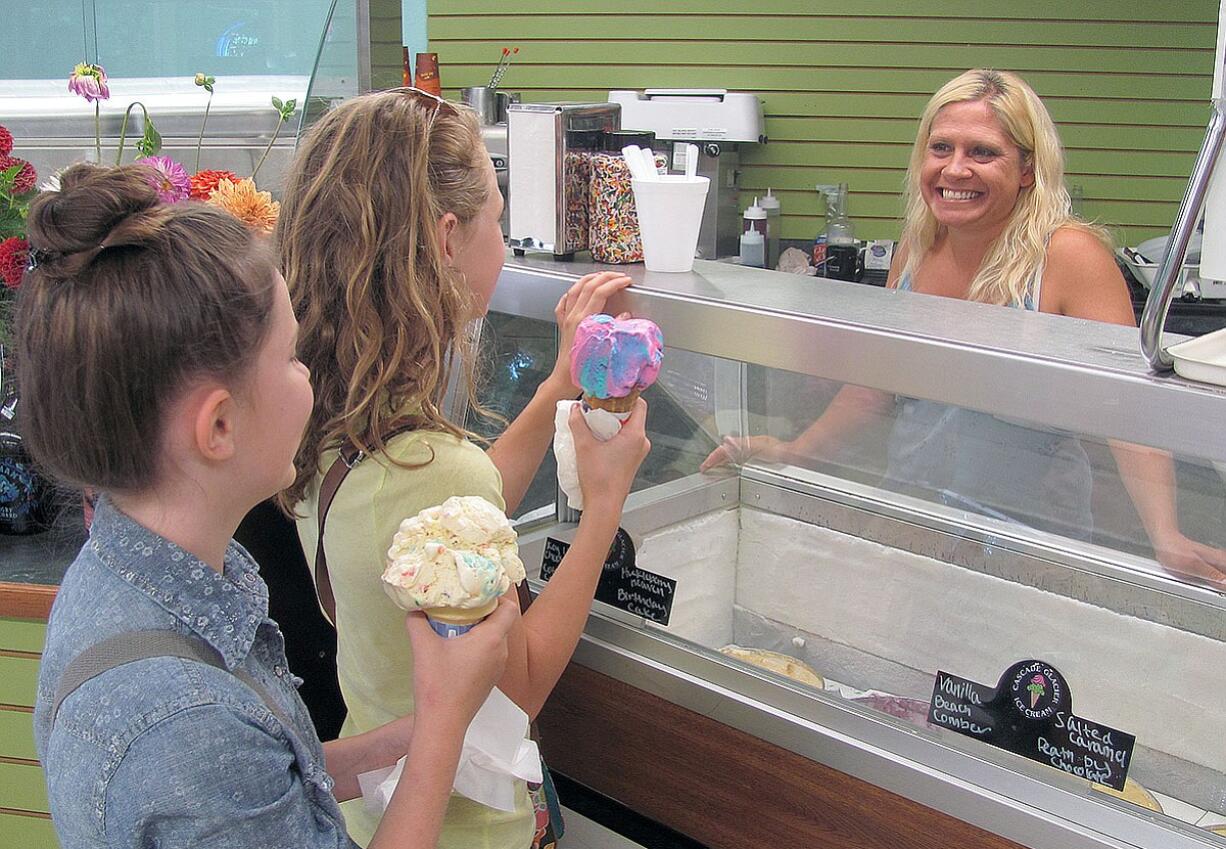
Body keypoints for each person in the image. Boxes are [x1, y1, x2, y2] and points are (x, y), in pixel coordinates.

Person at [23, 163, 516, 849]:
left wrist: (429, 729)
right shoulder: (188, 727)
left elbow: (276, 782)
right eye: (290, 358)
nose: (307, 375)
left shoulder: (127, 573)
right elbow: (228, 761)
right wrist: (439, 721)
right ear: (218, 426)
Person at [277, 88, 651, 848]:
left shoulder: (330, 413)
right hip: (464, 826)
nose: (505, 243)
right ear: (448, 237)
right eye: (500, 218)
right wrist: (602, 509)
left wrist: (557, 386)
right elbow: (515, 691)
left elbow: (447, 525)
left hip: (372, 804)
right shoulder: (436, 470)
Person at [703, 68, 1226, 584]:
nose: (955, 169)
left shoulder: (1069, 255)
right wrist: (798, 454)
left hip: (1029, 540)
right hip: (915, 512)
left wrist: (1166, 535)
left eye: (982, 152)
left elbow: (1130, 408)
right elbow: (876, 386)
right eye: (941, 148)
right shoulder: (915, 249)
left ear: (1026, 168)